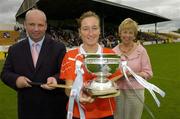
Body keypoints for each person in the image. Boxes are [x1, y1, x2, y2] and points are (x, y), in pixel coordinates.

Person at [0, 9, 68, 119]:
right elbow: (5, 73)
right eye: (32, 24)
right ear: (25, 25)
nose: (36, 29)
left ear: (46, 26)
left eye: (40, 25)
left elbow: (64, 73)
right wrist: (16, 80)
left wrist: (55, 79)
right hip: (27, 110)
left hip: (54, 109)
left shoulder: (58, 47)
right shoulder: (15, 49)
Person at [60, 11, 122, 119]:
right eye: (85, 28)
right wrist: (78, 96)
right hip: (77, 113)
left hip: (106, 113)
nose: (90, 33)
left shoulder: (110, 55)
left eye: (94, 28)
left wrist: (109, 86)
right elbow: (68, 89)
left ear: (99, 31)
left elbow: (115, 79)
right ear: (79, 32)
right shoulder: (70, 56)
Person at [112, 18, 153, 119]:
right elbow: (109, 74)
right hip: (117, 92)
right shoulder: (113, 52)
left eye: (131, 32)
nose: (127, 35)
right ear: (120, 33)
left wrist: (133, 74)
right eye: (125, 32)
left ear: (134, 35)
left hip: (136, 93)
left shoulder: (141, 51)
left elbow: (148, 73)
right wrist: (118, 76)